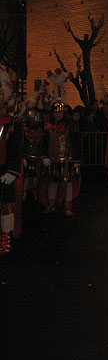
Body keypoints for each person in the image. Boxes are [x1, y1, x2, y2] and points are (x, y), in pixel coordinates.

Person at [41, 100, 81, 217]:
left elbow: (75, 143)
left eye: (60, 112)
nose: (58, 114)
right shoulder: (48, 126)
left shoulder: (70, 126)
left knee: (67, 183)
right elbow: (45, 142)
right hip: (52, 159)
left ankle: (68, 205)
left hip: (67, 159)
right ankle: (51, 204)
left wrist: (77, 159)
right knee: (52, 183)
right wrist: (44, 156)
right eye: (55, 112)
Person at [0, 104, 23, 254]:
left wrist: (12, 171)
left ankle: (5, 237)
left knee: (6, 206)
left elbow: (16, 149)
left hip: (4, 170)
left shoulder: (11, 124)